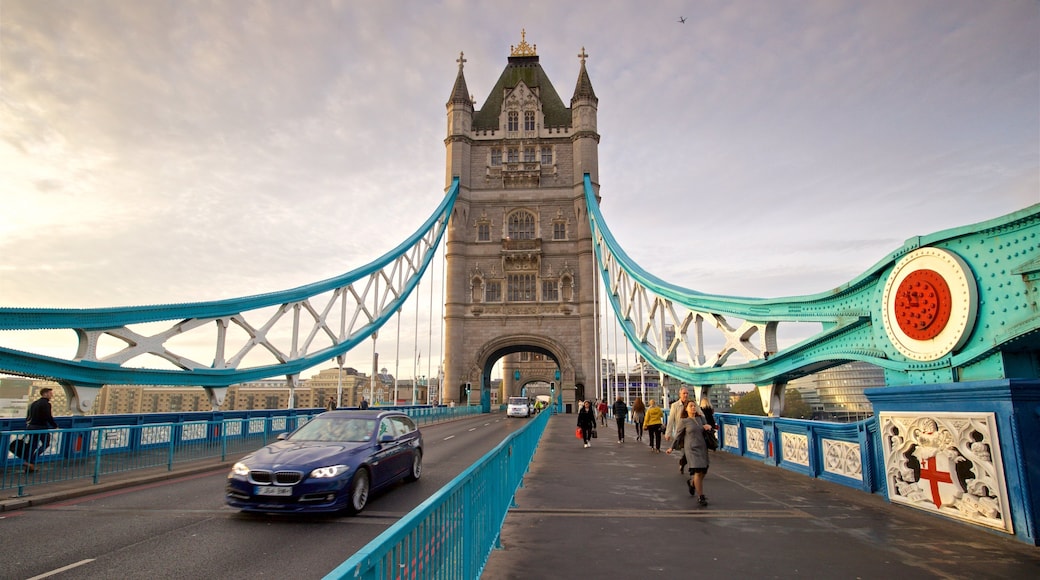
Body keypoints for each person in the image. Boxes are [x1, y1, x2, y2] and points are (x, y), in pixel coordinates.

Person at [674, 400, 713, 506]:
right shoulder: (684, 421)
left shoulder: (700, 418)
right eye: (690, 406)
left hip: (702, 447)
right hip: (691, 449)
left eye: (694, 406)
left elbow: (707, 426)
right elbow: (677, 435)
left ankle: (692, 483)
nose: (693, 408)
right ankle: (700, 496)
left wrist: (708, 427)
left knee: (704, 470)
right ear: (686, 409)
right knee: (698, 470)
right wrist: (672, 447)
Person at [24, 387, 58, 472]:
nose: (52, 395)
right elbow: (48, 416)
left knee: (33, 445)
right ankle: (31, 461)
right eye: (50, 393)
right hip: (41, 427)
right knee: (46, 443)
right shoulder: (46, 404)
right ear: (45, 394)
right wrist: (54, 425)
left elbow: (28, 417)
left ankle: (29, 465)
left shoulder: (34, 403)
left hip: (31, 427)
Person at [665, 387, 692, 473]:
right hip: (681, 433)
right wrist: (668, 433)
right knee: (685, 451)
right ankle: (683, 463)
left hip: (691, 432)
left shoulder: (692, 404)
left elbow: (700, 415)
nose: (686, 395)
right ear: (680, 395)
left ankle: (689, 467)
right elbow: (671, 420)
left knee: (691, 450)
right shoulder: (675, 405)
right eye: (684, 393)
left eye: (687, 393)